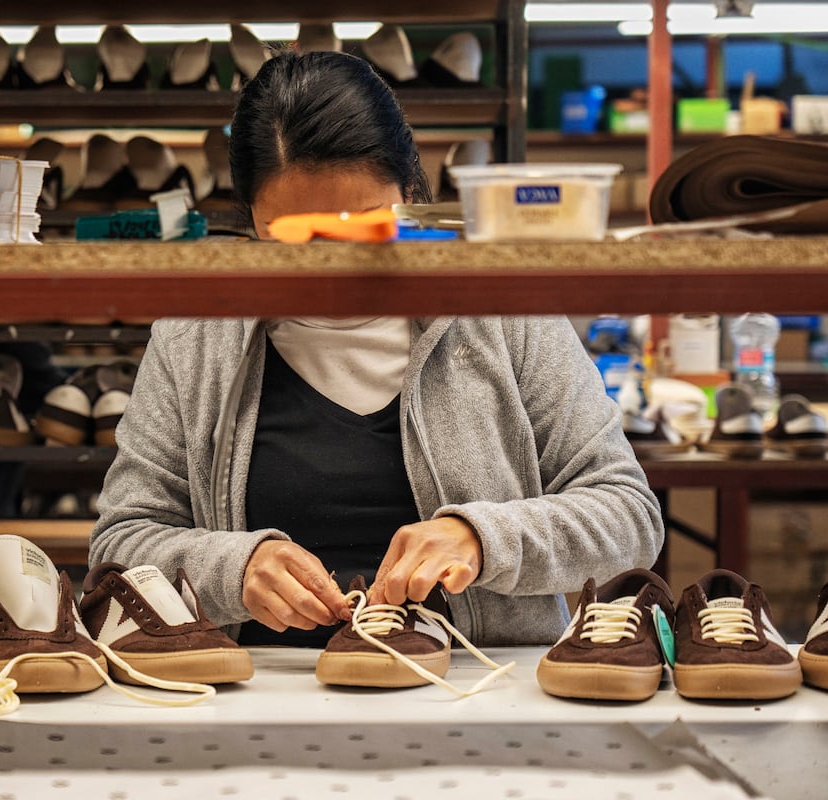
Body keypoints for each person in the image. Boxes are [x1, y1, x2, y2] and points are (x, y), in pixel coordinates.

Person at [89, 50, 664, 647]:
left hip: (480, 688)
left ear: (412, 190)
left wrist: (483, 538)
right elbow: (122, 539)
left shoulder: (500, 314)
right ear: (253, 220)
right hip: (257, 692)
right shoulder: (196, 336)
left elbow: (628, 514)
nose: (332, 261)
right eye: (296, 237)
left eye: (360, 226)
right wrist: (233, 568)